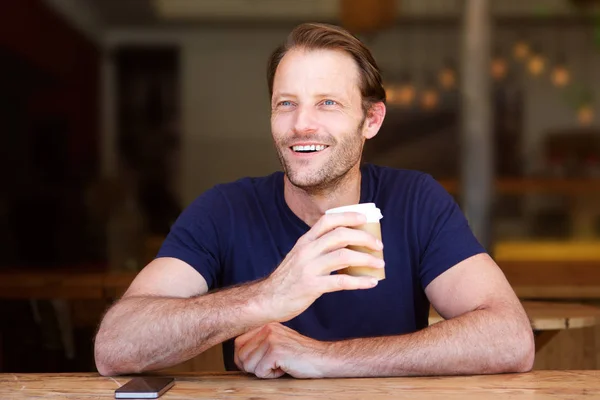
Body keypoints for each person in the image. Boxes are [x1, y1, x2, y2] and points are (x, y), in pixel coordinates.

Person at [94, 23, 534, 379]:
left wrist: (324, 359)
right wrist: (267, 297)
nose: (302, 124)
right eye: (286, 103)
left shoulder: (415, 200)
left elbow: (510, 338)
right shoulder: (224, 210)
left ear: (371, 119)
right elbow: (116, 346)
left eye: (327, 103)